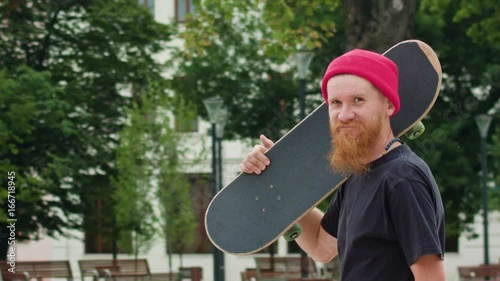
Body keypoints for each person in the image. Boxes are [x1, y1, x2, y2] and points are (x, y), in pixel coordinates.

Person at [240, 49, 445, 281]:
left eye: (358, 100)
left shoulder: (403, 178)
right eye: (336, 103)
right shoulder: (360, 174)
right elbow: (321, 247)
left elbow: (431, 277)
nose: (344, 115)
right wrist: (280, 180)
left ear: (388, 105)